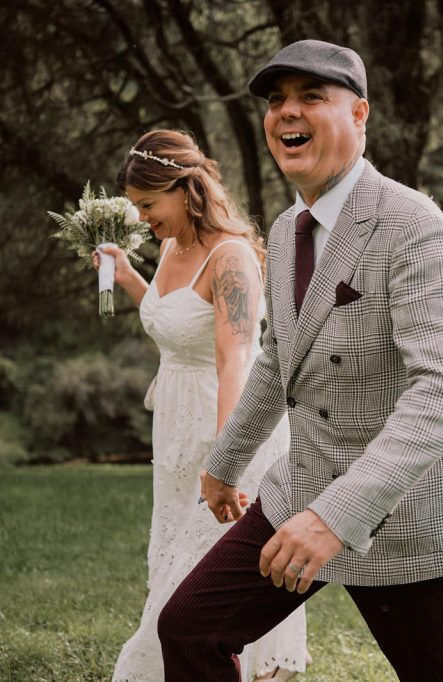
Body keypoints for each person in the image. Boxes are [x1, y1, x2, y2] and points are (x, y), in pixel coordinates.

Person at [156, 40, 443, 681]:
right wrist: (225, 463)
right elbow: (277, 359)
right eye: (276, 100)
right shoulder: (284, 229)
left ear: (359, 115)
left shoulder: (413, 226)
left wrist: (334, 517)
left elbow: (442, 393)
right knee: (189, 629)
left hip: (411, 512)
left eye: (310, 96)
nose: (286, 112)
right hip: (300, 487)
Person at [98, 130, 308, 682]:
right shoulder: (173, 247)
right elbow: (179, 324)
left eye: (149, 204)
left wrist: (225, 461)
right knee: (173, 562)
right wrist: (127, 277)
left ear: (184, 189)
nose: (142, 218)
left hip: (229, 425)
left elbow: (234, 359)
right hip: (174, 431)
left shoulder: (232, 256)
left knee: (201, 579)